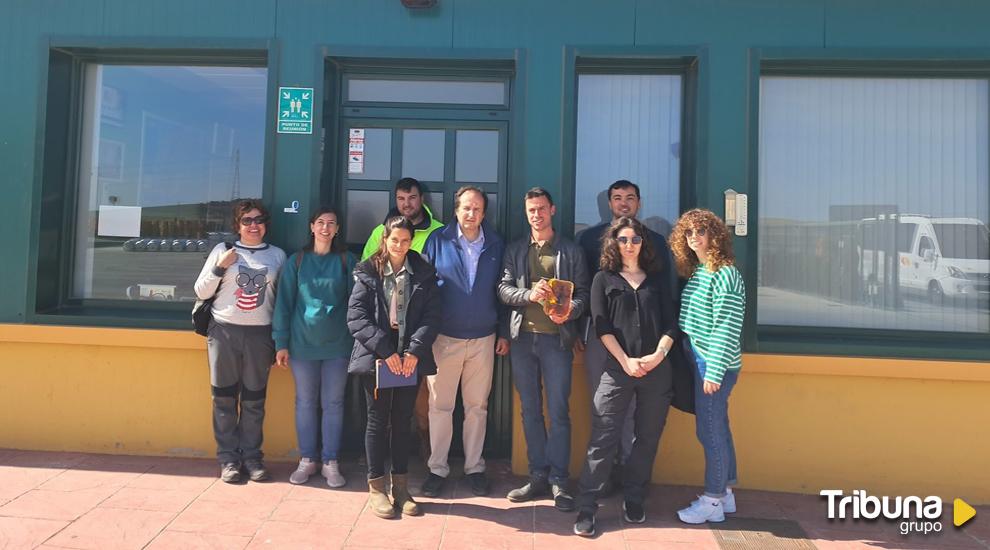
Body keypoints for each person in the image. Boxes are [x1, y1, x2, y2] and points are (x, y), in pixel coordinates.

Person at [572, 217, 677, 536]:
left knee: (645, 439)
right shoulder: (603, 279)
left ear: (643, 244)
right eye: (623, 240)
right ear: (613, 244)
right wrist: (626, 361)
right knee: (602, 438)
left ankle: (634, 498)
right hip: (616, 370)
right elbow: (601, 325)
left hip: (656, 372)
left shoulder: (656, 281)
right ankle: (587, 508)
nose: (629, 245)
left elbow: (672, 324)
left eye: (634, 240)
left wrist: (657, 356)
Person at [498, 187, 589, 511]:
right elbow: (504, 289)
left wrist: (570, 312)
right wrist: (528, 295)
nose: (536, 215)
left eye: (540, 209)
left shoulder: (571, 251)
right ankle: (538, 475)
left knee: (559, 412)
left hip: (557, 341)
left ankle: (559, 481)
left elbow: (584, 296)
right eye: (531, 210)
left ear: (552, 210)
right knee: (530, 411)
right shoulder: (515, 250)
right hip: (522, 339)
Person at [347, 216, 441, 519]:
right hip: (378, 355)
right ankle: (377, 488)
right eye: (394, 240)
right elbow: (357, 318)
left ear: (411, 241)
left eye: (405, 240)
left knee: (402, 422)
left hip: (408, 356)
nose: (399, 246)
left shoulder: (423, 273)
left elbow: (431, 317)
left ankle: (401, 487)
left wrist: (414, 351)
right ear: (384, 239)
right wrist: (385, 351)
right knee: (377, 422)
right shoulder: (367, 272)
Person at [419, 186, 509, 498]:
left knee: (477, 407)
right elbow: (423, 288)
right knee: (439, 406)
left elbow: (504, 291)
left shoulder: (496, 244)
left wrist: (504, 333)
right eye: (466, 209)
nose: (472, 215)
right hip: (444, 338)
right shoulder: (438, 241)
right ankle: (437, 468)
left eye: (478, 210)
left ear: (485, 213)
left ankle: (474, 467)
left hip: (484, 339)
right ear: (456, 210)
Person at [194, 199, 286, 483]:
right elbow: (201, 289)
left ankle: (252, 457)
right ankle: (228, 460)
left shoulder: (278, 256)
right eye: (247, 221)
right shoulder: (223, 251)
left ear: (265, 224)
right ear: (238, 225)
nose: (253, 226)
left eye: (258, 220)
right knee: (222, 398)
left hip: (260, 335)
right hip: (224, 331)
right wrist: (221, 267)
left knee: (254, 401)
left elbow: (282, 300)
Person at [669, 209, 746, 524]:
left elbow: (726, 327)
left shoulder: (725, 274)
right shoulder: (700, 272)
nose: (695, 238)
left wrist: (713, 372)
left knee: (709, 430)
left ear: (715, 236)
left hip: (713, 363)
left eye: (701, 232)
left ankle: (712, 499)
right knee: (719, 427)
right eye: (689, 233)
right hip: (698, 358)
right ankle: (725, 493)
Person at [272, 206, 355, 488]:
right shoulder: (297, 261)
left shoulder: (347, 261)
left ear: (338, 229)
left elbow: (358, 304)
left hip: (338, 346)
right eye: (320, 222)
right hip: (301, 345)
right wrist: (280, 343)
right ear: (311, 227)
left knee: (333, 403)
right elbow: (283, 304)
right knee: (305, 403)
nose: (325, 228)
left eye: (332, 223)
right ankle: (307, 459)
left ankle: (330, 462)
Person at [361, 177, 443, 459]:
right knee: (381, 406)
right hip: (384, 337)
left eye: (412, 198)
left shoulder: (439, 233)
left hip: (419, 336)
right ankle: (379, 462)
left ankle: (424, 455)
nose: (406, 204)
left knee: (422, 402)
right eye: (401, 199)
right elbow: (366, 280)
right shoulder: (378, 234)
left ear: (422, 199)